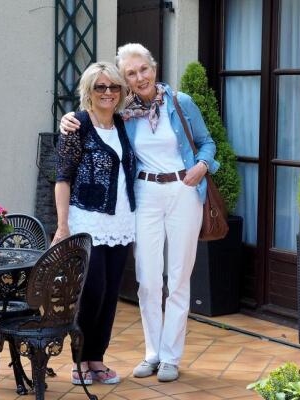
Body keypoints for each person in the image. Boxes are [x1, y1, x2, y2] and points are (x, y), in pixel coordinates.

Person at [60, 43, 219, 382]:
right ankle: (152, 353)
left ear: (154, 67)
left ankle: (171, 357)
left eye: (143, 69)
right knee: (147, 279)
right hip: (144, 195)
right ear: (125, 80)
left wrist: (203, 165)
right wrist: (68, 119)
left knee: (178, 278)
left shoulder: (181, 103)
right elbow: (93, 116)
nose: (139, 77)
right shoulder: (124, 113)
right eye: (130, 73)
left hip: (184, 191)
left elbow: (208, 142)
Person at [53, 61, 136, 386]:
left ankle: (97, 359)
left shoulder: (124, 124)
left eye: (113, 87)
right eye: (100, 87)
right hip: (87, 222)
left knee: (111, 293)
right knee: (92, 292)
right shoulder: (78, 126)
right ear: (89, 91)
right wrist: (62, 226)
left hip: (122, 221)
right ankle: (78, 361)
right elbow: (62, 178)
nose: (108, 93)